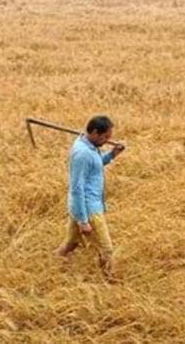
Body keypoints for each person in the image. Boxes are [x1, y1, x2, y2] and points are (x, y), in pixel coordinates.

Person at [54, 115, 125, 282]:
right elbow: (77, 188)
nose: (108, 140)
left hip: (80, 208)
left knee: (71, 244)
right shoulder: (82, 154)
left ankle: (53, 262)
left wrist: (112, 154)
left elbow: (95, 165)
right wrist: (83, 221)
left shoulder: (90, 147)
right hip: (88, 208)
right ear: (94, 132)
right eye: (105, 137)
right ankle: (109, 280)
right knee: (106, 248)